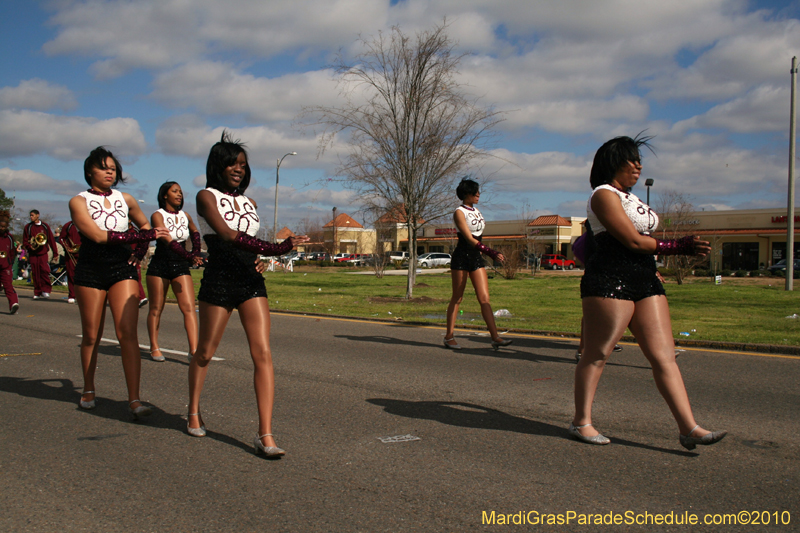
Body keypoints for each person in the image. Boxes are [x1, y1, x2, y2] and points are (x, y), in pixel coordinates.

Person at [571, 135, 726, 451]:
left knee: (664, 356)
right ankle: (581, 421)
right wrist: (679, 246)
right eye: (631, 159)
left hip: (644, 280)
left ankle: (688, 427)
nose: (638, 165)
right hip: (609, 280)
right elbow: (634, 241)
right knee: (597, 353)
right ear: (614, 162)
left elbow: (643, 245)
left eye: (639, 159)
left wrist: (655, 266)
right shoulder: (603, 195)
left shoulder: (631, 198)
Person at [188, 132, 309, 457]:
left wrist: (262, 260)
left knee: (263, 353)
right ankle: (194, 410)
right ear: (218, 165)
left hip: (251, 282)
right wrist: (276, 249)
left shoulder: (250, 202)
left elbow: (248, 241)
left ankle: (265, 434)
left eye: (243, 164)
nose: (239, 168)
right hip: (219, 281)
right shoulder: (205, 196)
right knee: (205, 352)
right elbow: (227, 234)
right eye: (232, 163)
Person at [68, 146, 169, 418]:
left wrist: (138, 252)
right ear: (90, 171)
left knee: (128, 335)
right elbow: (99, 236)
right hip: (91, 270)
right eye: (104, 167)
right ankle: (88, 388)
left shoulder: (126, 198)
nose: (110, 171)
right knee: (91, 334)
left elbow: (147, 228)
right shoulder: (78, 201)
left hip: (122, 268)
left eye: (113, 167)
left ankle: (134, 400)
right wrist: (137, 239)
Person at [443, 178, 511, 351]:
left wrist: (486, 252)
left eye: (478, 191)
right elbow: (468, 238)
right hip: (461, 257)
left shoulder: (476, 210)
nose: (478, 195)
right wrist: (491, 252)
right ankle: (449, 336)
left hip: (476, 257)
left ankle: (495, 337)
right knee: (457, 298)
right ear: (466, 194)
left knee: (484, 298)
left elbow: (478, 236)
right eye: (475, 192)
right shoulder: (459, 212)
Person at [146, 181, 203, 362]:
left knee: (189, 308)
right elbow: (168, 241)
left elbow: (195, 232)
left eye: (180, 192)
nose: (179, 194)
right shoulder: (157, 215)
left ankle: (194, 349)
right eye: (175, 191)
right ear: (165, 195)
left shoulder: (185, 215)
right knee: (156, 308)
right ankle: (154, 346)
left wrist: (195, 252)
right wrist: (189, 256)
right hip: (160, 265)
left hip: (180, 265)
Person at [23, 209, 58, 299]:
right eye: (30, 215)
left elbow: (51, 239)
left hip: (42, 252)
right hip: (33, 253)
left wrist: (55, 253)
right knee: (35, 272)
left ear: (38, 215)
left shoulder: (45, 226)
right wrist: (29, 246)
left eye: (33, 215)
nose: (31, 217)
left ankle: (45, 290)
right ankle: (37, 291)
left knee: (44, 271)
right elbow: (25, 241)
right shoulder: (28, 227)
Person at [0, 211, 20, 314]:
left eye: (4, 227)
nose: (2, 229)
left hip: (5, 266)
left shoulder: (9, 237)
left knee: (8, 285)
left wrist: (10, 262)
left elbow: (12, 252)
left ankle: (13, 304)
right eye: (0, 226)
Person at [59, 220, 82, 304]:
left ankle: (82, 296)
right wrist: (67, 247)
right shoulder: (68, 225)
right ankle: (72, 295)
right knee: (71, 274)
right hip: (71, 255)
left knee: (84, 276)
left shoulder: (85, 223)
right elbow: (61, 238)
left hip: (84, 253)